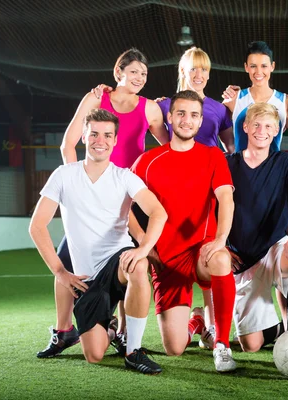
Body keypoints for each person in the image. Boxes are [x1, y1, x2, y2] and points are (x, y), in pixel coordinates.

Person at [37, 48, 169, 359]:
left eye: (144, 74)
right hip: (90, 194)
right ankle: (63, 330)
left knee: (127, 258)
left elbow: (168, 148)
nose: (139, 78)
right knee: (65, 260)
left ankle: (123, 333)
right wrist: (75, 187)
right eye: (133, 71)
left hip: (126, 193)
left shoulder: (150, 109)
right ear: (118, 72)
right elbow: (67, 143)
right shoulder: (97, 98)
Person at [130, 90, 237, 373]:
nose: (186, 120)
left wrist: (221, 240)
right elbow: (125, 209)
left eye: (193, 115)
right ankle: (196, 321)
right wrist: (143, 243)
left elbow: (226, 198)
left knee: (221, 258)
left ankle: (222, 345)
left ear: (201, 121)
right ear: (169, 117)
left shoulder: (213, 156)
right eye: (180, 113)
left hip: (200, 251)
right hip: (165, 260)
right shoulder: (148, 160)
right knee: (175, 348)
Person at [226, 103, 288, 352]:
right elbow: (212, 206)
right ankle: (279, 329)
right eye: (256, 124)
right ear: (245, 127)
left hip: (274, 249)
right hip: (242, 259)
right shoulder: (228, 164)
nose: (261, 130)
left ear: (276, 131)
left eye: (268, 126)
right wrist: (220, 243)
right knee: (250, 345)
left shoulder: (283, 162)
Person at [222, 41, 288, 152]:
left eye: (264, 66)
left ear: (272, 66)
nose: (258, 72)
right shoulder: (234, 99)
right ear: (246, 67)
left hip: (273, 168)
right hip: (239, 168)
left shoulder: (285, 101)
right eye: (253, 66)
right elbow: (216, 131)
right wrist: (232, 155)